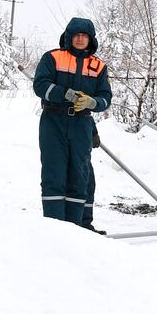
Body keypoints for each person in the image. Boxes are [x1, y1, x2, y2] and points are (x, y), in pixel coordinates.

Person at [33, 17, 112, 227]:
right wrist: (65, 94)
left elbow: (106, 97)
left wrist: (92, 101)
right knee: (54, 174)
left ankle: (77, 230)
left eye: (84, 35)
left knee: (79, 177)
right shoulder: (52, 58)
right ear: (69, 36)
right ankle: (55, 228)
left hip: (81, 124)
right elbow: (40, 86)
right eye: (76, 35)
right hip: (53, 121)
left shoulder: (98, 66)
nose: (79, 39)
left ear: (90, 39)